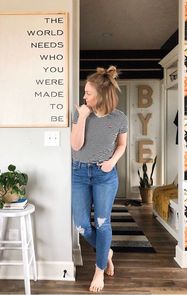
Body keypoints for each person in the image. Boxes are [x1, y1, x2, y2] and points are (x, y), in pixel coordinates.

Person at [71, 66, 128, 293]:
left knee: (103, 223)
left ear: (102, 95)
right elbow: (76, 146)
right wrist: (83, 117)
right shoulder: (81, 113)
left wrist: (112, 161)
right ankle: (107, 252)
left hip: (105, 175)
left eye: (88, 93)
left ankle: (99, 269)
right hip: (78, 173)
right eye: (85, 93)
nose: (84, 97)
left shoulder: (119, 118)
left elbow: (121, 145)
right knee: (81, 225)